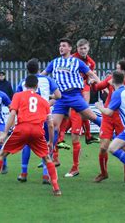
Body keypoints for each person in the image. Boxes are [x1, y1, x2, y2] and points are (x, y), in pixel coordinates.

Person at [0, 75, 61, 196]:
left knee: (1, 154)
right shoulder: (44, 101)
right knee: (47, 158)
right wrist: (51, 142)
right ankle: (56, 189)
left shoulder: (18, 96)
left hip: (22, 129)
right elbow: (51, 124)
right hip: (37, 131)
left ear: (25, 85)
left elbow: (12, 114)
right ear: (37, 87)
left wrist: (5, 133)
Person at [41, 38, 102, 178]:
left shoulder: (77, 62)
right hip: (61, 98)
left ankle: (115, 130)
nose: (60, 48)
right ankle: (48, 166)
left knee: (92, 117)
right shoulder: (54, 62)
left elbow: (91, 74)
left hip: (75, 95)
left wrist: (103, 86)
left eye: (63, 46)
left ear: (69, 48)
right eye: (60, 46)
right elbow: (42, 75)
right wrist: (29, 83)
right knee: (53, 128)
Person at [92, 60, 125, 183]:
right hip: (107, 117)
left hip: (121, 119)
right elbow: (98, 87)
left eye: (118, 68)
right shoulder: (110, 78)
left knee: (124, 148)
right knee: (103, 147)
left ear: (124, 71)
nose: (115, 70)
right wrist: (91, 84)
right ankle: (103, 173)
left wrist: (113, 85)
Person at [16, 58, 61, 184]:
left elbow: (17, 99)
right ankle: (46, 174)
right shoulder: (47, 80)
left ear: (27, 70)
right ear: (39, 69)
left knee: (26, 144)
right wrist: (49, 101)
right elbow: (59, 96)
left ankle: (23, 173)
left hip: (28, 119)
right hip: (44, 117)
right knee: (47, 143)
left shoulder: (23, 82)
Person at [68, 38, 100, 145]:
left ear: (88, 48)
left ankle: (87, 135)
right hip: (72, 87)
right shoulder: (71, 58)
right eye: (81, 48)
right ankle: (84, 134)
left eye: (85, 48)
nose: (83, 50)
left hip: (84, 86)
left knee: (84, 109)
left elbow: (88, 77)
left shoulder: (91, 62)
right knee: (78, 111)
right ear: (77, 49)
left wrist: (91, 80)